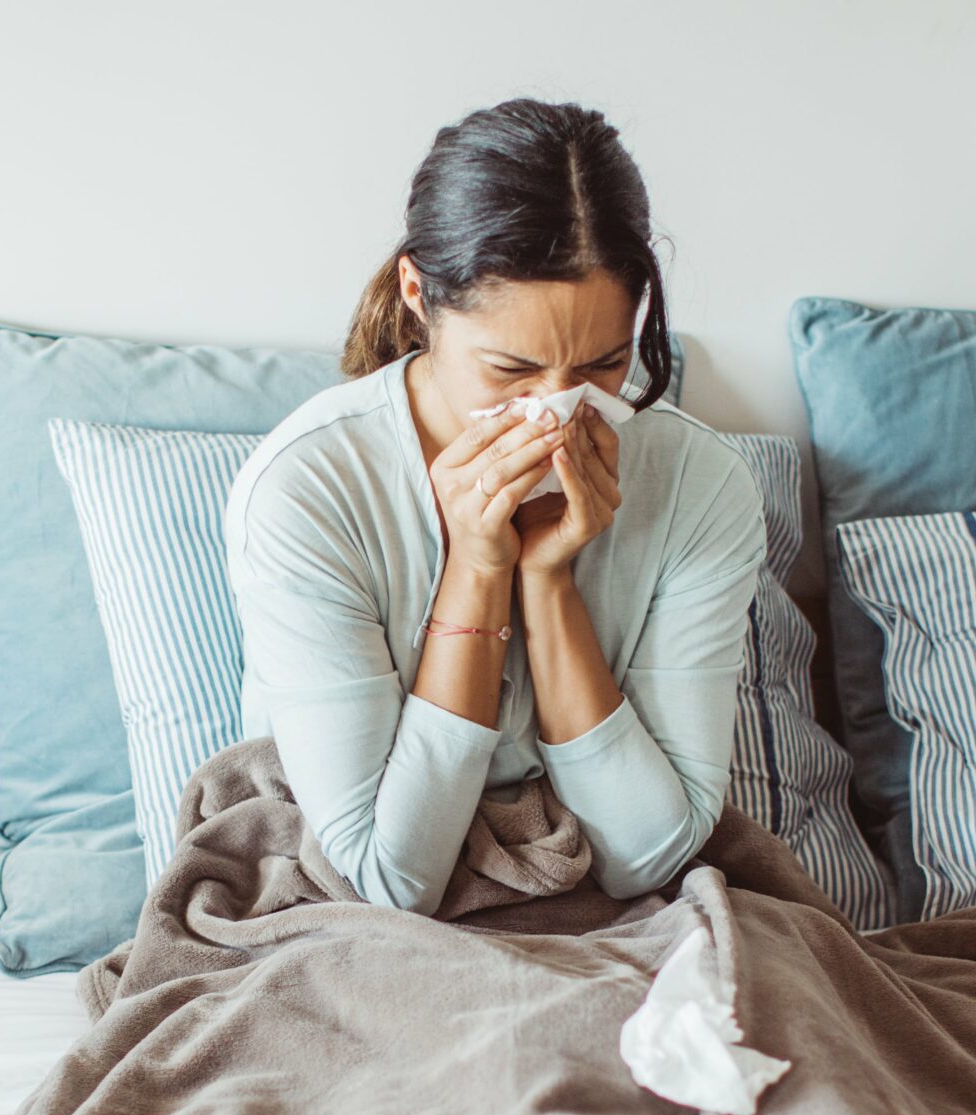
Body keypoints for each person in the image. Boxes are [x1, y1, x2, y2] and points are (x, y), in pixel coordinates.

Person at [222, 97, 767, 916]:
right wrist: (478, 567)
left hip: (613, 914)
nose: (559, 408)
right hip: (358, 921)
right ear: (416, 291)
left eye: (604, 364)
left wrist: (549, 585)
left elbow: (649, 857)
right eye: (512, 369)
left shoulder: (700, 484)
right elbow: (388, 879)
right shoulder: (311, 489)